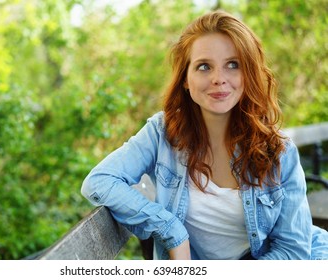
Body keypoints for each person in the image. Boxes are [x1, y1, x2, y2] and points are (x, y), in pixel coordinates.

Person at [81, 10, 328, 260]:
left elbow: (293, 251)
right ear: (186, 79)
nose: (219, 79)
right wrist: (171, 230)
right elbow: (99, 181)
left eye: (233, 64)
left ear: (248, 73)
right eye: (204, 66)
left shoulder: (279, 151)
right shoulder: (162, 133)